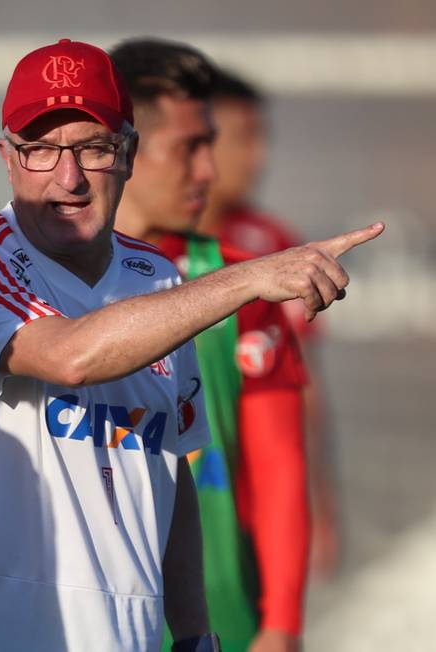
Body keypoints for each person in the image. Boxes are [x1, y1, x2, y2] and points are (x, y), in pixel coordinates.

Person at [0, 38, 380, 651]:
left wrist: (194, 634)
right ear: (7, 158)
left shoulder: (160, 278)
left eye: (94, 148)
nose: (69, 177)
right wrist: (249, 277)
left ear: (129, 156)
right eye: (41, 150)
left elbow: (170, 465)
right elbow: (70, 357)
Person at [109, 38, 309, 652]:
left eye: (211, 145)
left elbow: (278, 467)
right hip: (77, 616)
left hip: (222, 618)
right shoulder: (28, 281)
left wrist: (281, 626)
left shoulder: (246, 281)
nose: (209, 171)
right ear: (125, 150)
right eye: (189, 148)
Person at [199, 68, 339, 580]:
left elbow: (305, 389)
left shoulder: (271, 242)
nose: (257, 158)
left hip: (250, 508)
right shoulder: (131, 248)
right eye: (243, 139)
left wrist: (320, 502)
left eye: (262, 139)